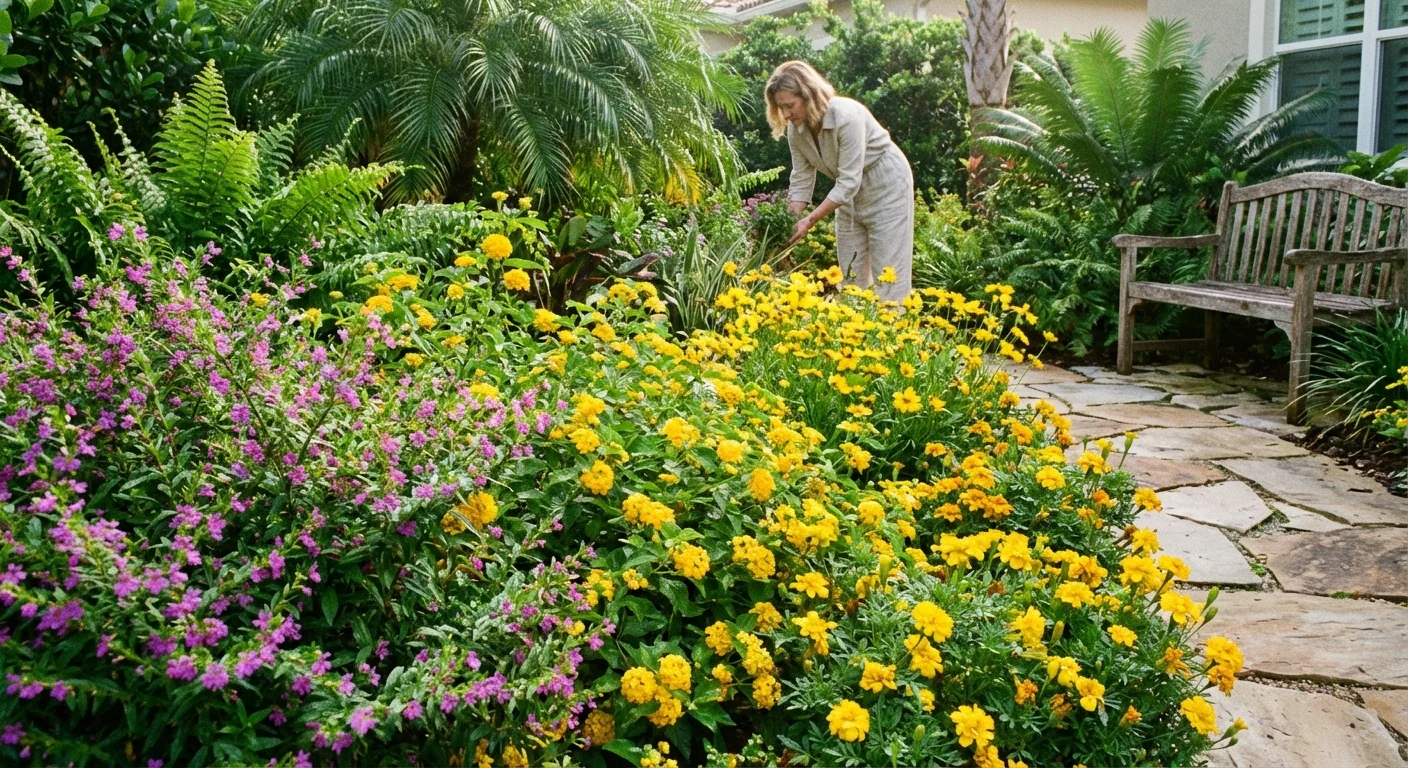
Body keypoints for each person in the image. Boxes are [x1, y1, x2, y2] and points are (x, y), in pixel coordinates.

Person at [765, 60, 915, 303]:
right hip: (848, 195)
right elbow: (802, 180)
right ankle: (856, 336)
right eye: (780, 107)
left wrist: (810, 220)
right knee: (850, 275)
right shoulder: (796, 130)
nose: (785, 114)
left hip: (886, 185)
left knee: (890, 277)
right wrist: (790, 221)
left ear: (809, 96)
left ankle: (896, 334)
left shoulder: (846, 116)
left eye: (790, 105)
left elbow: (848, 182)